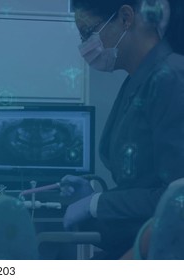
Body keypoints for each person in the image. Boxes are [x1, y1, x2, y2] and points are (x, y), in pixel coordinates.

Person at [61, 0, 184, 259]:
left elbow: (178, 198)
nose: (84, 45)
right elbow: (145, 183)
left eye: (87, 32)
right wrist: (96, 198)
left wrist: (98, 204)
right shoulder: (137, 81)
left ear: (126, 18)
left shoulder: (171, 79)